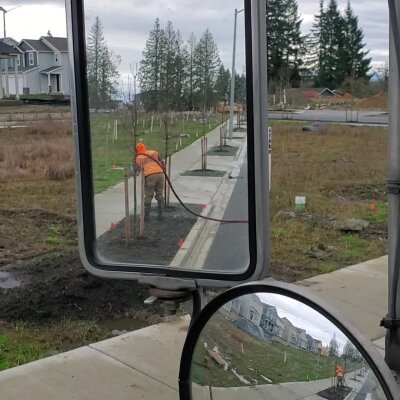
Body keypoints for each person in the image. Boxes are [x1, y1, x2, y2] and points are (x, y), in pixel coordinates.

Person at [135, 142, 165, 219]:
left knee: (148, 195)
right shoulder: (154, 152)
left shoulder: (139, 158)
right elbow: (161, 161)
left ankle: (146, 216)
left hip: (150, 176)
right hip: (161, 174)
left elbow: (137, 170)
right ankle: (161, 215)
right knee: (160, 194)